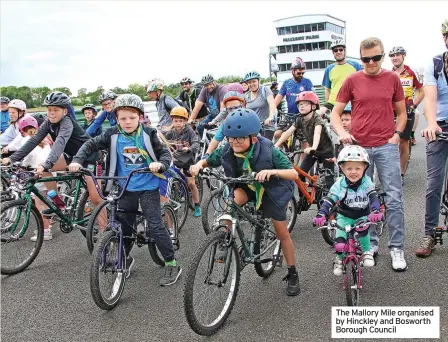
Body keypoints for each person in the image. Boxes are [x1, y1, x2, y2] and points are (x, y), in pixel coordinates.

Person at [69, 94, 182, 285]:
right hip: (125, 186)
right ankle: (125, 259)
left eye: (132, 118)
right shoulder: (112, 134)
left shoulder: (148, 133)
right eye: (123, 118)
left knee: (155, 224)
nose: (127, 122)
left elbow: (163, 153)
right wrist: (77, 160)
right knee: (124, 225)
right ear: (116, 118)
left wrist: (160, 165)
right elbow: (90, 144)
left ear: (140, 117)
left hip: (148, 186)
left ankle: (171, 262)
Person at [189, 108, 300, 296]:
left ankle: (292, 272)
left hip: (271, 190)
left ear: (253, 138)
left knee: (282, 232)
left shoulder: (269, 150)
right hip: (246, 186)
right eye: (231, 138)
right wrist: (199, 164)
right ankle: (224, 239)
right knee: (229, 205)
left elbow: (293, 174)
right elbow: (210, 159)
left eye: (239, 138)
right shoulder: (228, 149)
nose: (234, 142)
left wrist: (273, 172)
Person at [331, 37, 407, 271]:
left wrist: (397, 134)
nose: (371, 62)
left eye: (376, 57)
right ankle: (370, 245)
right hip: (359, 148)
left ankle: (396, 248)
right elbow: (335, 113)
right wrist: (343, 132)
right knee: (361, 198)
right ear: (361, 58)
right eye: (366, 59)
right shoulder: (352, 80)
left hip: (386, 145)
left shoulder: (392, 78)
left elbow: (402, 112)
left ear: (383, 56)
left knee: (393, 198)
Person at [2, 92, 104, 241]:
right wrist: (12, 158)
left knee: (96, 199)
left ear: (65, 111)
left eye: (56, 110)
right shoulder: (48, 123)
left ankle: (104, 232)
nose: (52, 113)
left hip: (91, 158)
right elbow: (34, 140)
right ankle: (58, 203)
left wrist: (46, 163)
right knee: (43, 170)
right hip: (72, 158)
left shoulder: (67, 122)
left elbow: (59, 143)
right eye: (49, 109)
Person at [313, 145, 382, 275]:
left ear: (365, 168)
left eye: (357, 168)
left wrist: (376, 211)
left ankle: (367, 251)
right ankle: (339, 259)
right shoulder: (339, 184)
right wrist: (321, 214)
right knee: (340, 244)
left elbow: (373, 197)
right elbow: (329, 200)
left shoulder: (366, 182)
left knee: (363, 230)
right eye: (349, 168)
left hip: (362, 215)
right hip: (344, 216)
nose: (353, 172)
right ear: (342, 169)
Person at [415, 18, 448, 257]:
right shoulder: (435, 64)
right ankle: (429, 234)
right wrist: (433, 124)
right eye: (447, 35)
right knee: (433, 184)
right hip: (441, 127)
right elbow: (430, 99)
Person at [274, 91, 335, 189]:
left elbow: (317, 133)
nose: (301, 106)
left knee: (329, 180)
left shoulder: (317, 119)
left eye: (305, 104)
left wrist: (313, 147)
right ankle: (303, 200)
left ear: (313, 106)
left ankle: (331, 202)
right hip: (313, 151)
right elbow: (288, 132)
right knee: (300, 174)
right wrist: (276, 145)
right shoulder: (299, 119)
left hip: (326, 151)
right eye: (300, 104)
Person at [389, 46, 425, 182]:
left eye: (397, 55)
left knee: (404, 141)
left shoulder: (411, 72)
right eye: (392, 56)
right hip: (391, 110)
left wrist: (414, 105)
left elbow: (422, 91)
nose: (395, 58)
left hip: (406, 110)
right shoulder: (389, 73)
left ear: (403, 56)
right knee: (390, 141)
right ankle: (390, 170)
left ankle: (401, 173)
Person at [16, 116, 53, 240]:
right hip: (49, 172)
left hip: (38, 173)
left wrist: (22, 164)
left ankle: (46, 230)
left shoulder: (27, 139)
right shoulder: (44, 139)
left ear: (22, 129)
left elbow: (28, 155)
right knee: (47, 200)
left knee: (40, 204)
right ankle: (48, 226)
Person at [164, 107, 202, 217]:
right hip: (175, 162)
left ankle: (197, 205)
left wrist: (189, 149)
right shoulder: (171, 133)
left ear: (185, 121)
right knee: (170, 179)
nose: (178, 123)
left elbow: (196, 144)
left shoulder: (189, 131)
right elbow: (164, 144)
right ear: (172, 121)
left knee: (191, 184)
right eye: (176, 121)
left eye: (181, 121)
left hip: (188, 162)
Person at [273, 57, 313, 141]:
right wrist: (271, 110)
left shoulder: (307, 82)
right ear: (293, 71)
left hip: (303, 117)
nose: (301, 75)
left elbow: (313, 98)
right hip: (289, 115)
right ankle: (283, 152)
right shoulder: (287, 83)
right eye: (299, 73)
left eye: (302, 73)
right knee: (277, 134)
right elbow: (279, 97)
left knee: (304, 142)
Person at [321, 39, 363, 116]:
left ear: (344, 51)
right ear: (333, 52)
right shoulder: (329, 69)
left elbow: (362, 84)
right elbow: (327, 89)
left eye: (341, 49)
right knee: (320, 113)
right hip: (334, 102)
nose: (338, 52)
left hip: (351, 103)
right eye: (336, 50)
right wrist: (328, 103)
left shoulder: (355, 65)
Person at [202, 89, 246, 158]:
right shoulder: (226, 124)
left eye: (236, 108)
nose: (234, 111)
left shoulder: (249, 119)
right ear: (226, 109)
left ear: (242, 105)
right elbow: (216, 139)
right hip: (234, 155)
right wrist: (207, 154)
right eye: (230, 109)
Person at [243, 71, 276, 140]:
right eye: (249, 82)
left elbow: (272, 104)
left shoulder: (265, 90)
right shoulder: (246, 96)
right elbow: (244, 112)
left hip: (266, 126)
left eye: (254, 81)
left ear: (258, 81)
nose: (252, 84)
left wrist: (270, 117)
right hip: (253, 127)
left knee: (265, 147)